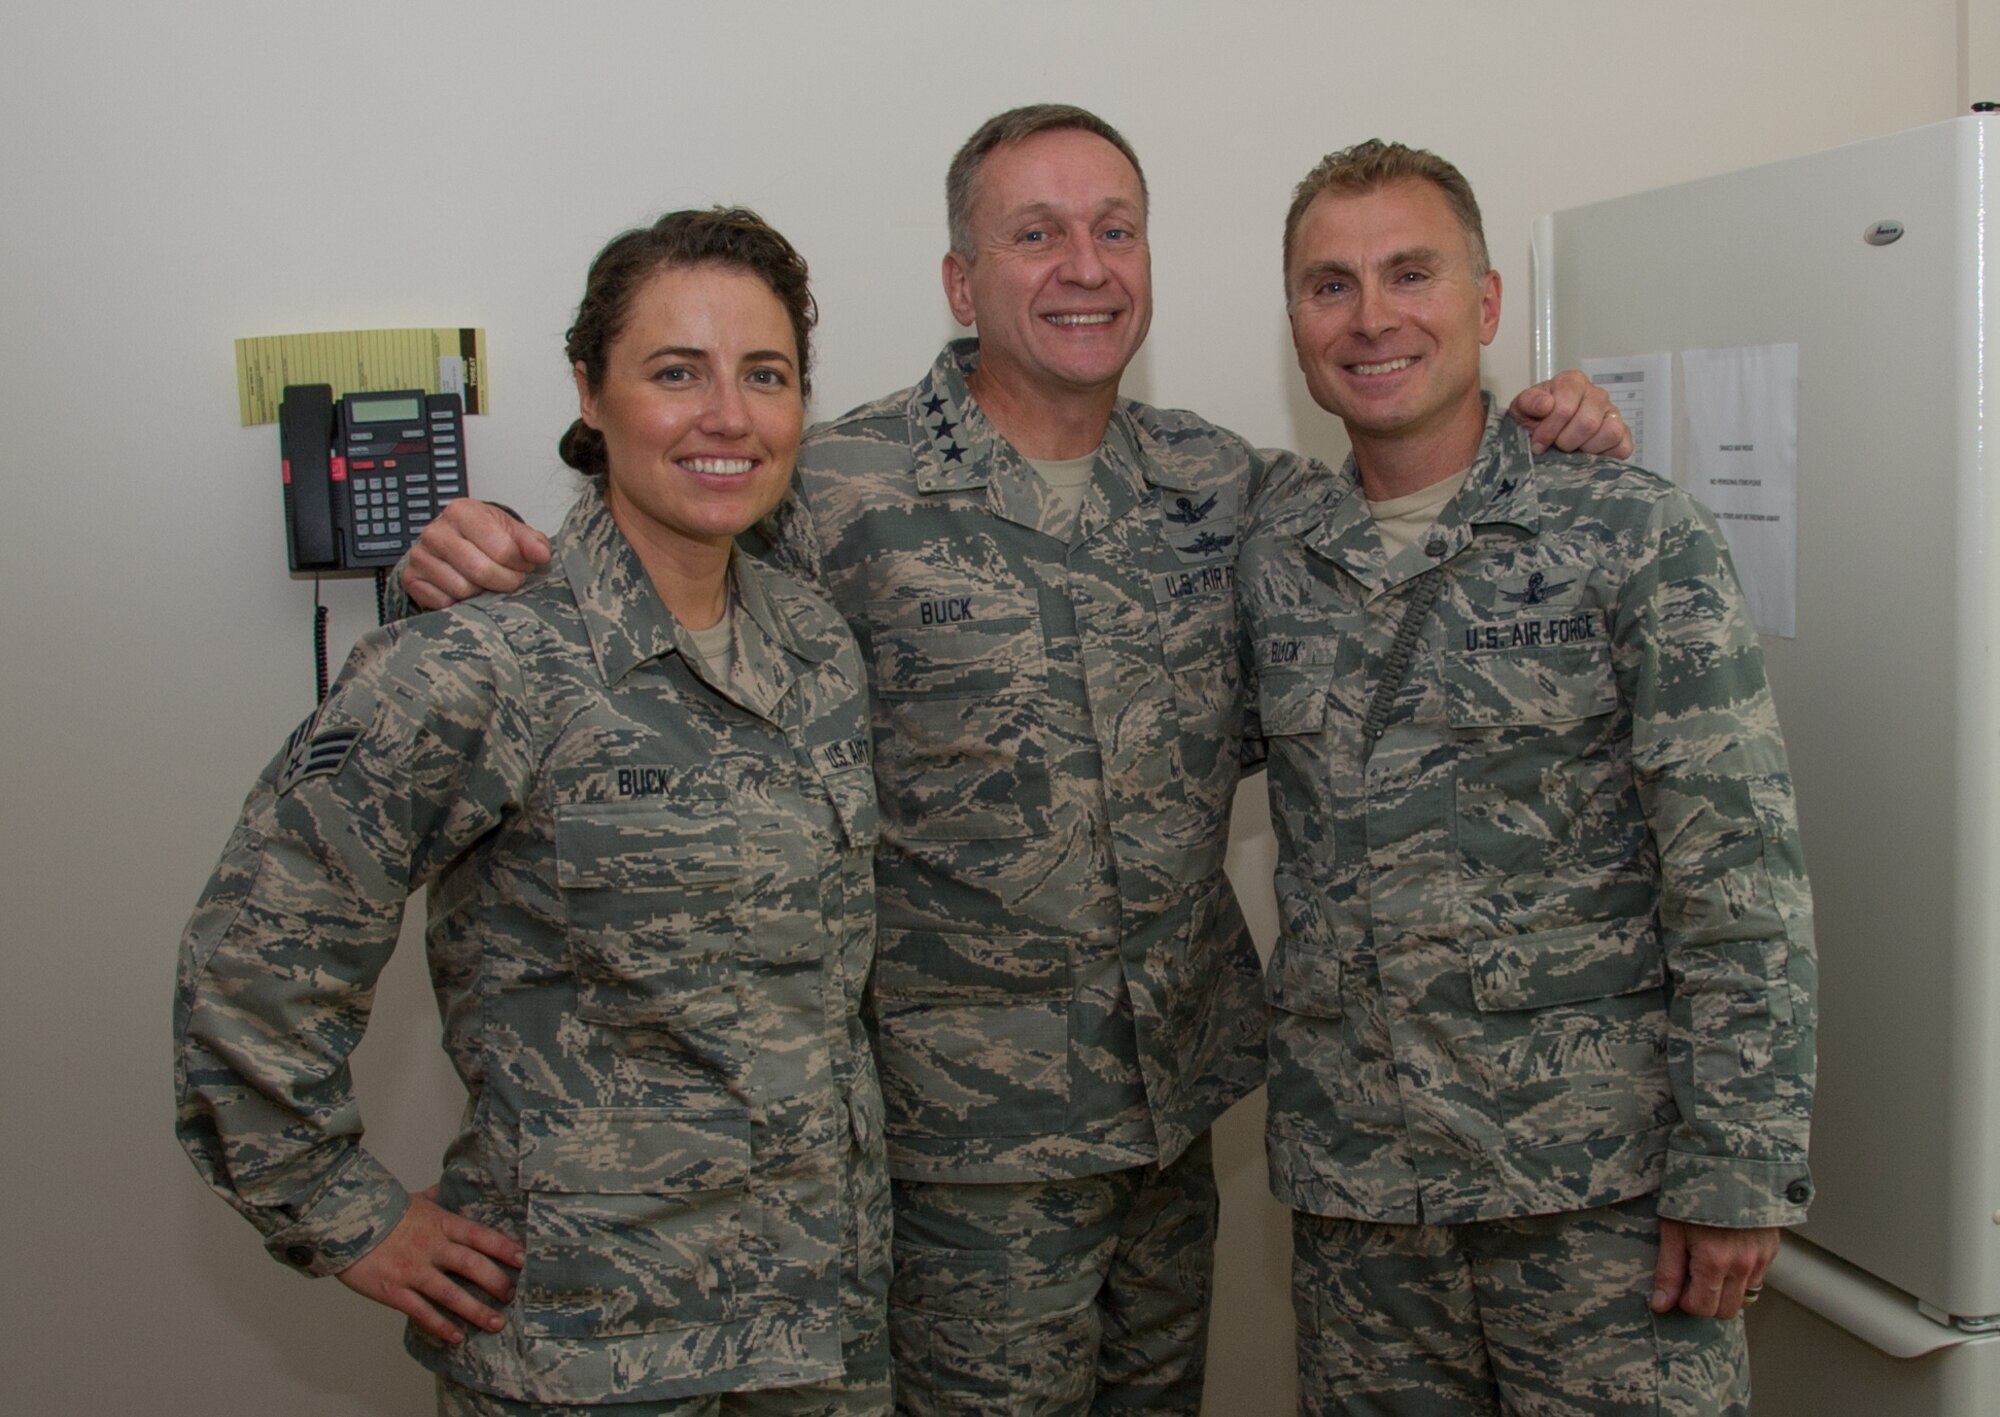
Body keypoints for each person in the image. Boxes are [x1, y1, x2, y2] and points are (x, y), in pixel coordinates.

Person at [398, 106, 1629, 1416]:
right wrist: (475, 555)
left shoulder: (1226, 489)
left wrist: (1551, 428)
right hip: (959, 1166)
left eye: (1115, 231)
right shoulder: (831, 492)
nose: (1084, 267)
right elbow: (654, 567)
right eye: (1033, 234)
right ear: (959, 279)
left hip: (1176, 1131)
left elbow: (1405, 500)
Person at [173, 208, 891, 1416]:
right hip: (591, 1351)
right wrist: (346, 1213)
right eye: (676, 372)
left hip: (820, 1337)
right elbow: (252, 961)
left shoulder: (813, 645)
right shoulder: (477, 663)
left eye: (763, 376)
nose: (727, 414)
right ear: (590, 392)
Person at [1238, 140, 1816, 1414]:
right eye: (1329, 284)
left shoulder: (1629, 532)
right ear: (1292, 322)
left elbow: (1738, 870)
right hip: (1363, 1216)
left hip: (1601, 1205)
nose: (1372, 315)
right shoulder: (1270, 556)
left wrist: (1736, 1166)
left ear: (1485, 303)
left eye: (1410, 273)